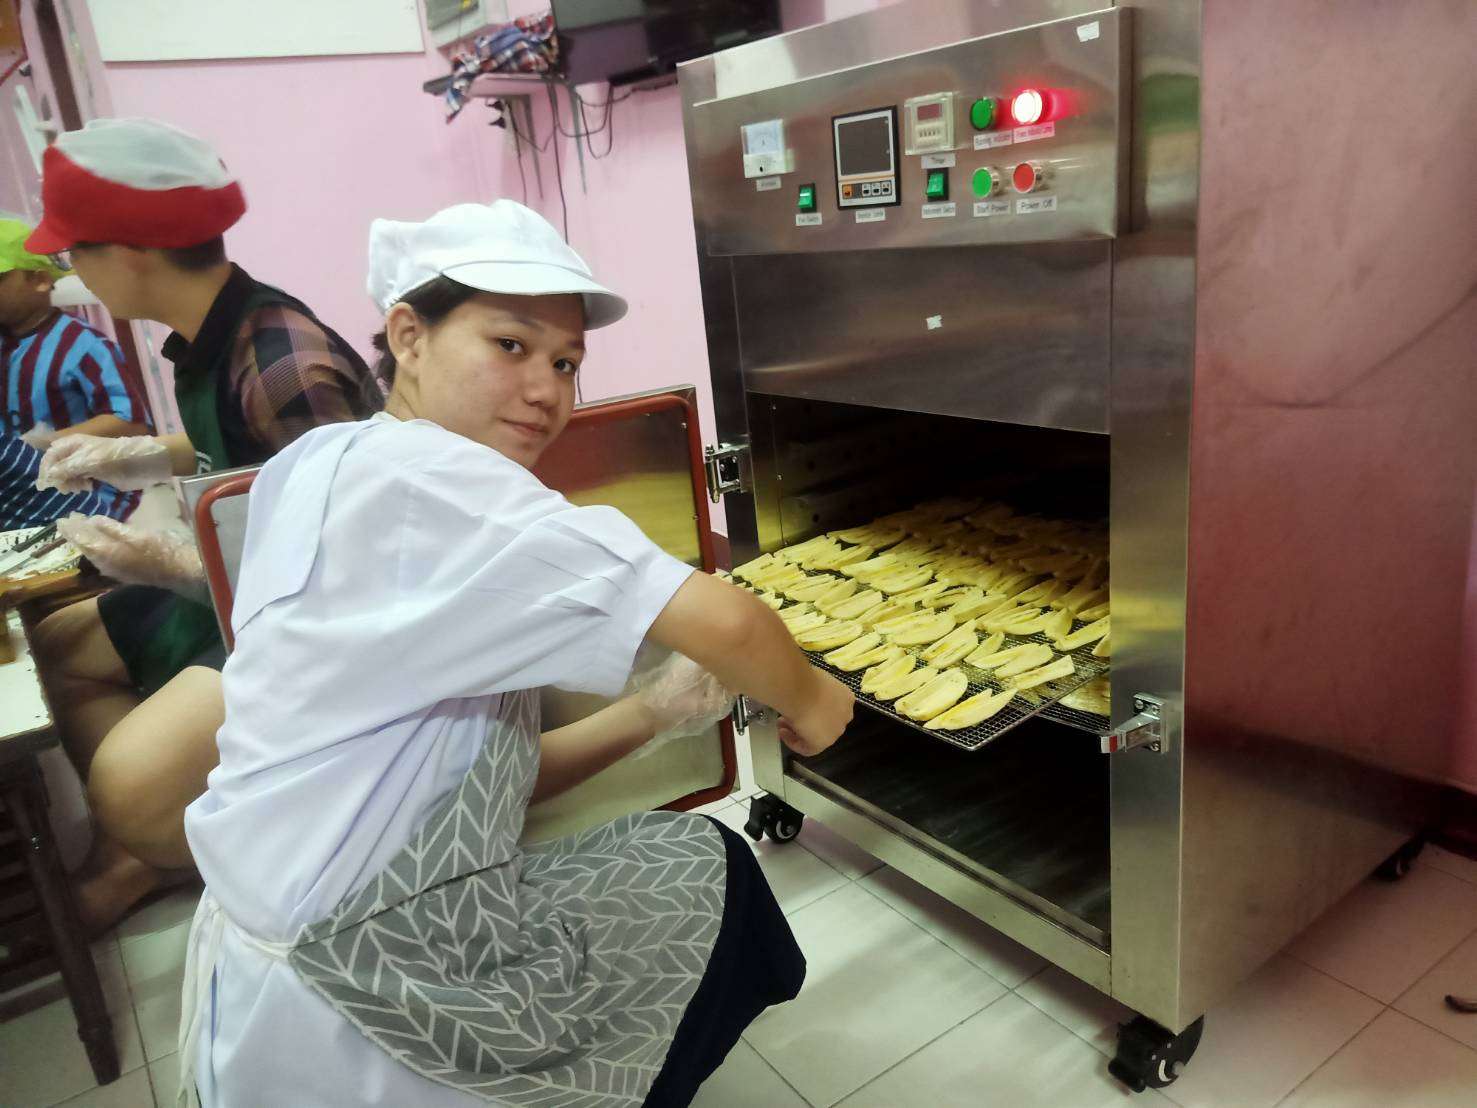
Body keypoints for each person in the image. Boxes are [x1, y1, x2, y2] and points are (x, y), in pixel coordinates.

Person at [174, 201, 855, 1107]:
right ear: (408, 336)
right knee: (712, 879)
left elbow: (457, 781)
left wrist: (655, 710)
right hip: (368, 988)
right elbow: (733, 625)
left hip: (278, 943)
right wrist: (814, 703)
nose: (547, 389)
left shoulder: (323, 459)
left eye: (566, 362)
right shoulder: (443, 486)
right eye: (510, 345)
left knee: (696, 857)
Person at [24, 118, 383, 933]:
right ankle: (151, 848)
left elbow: (346, 569)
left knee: (124, 784)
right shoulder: (217, 334)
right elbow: (236, 446)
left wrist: (178, 569)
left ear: (133, 254)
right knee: (60, 646)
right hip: (246, 582)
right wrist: (134, 458)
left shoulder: (286, 365)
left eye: (75, 252)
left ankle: (159, 838)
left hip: (309, 625)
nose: (69, 273)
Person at [0, 216, 151, 525]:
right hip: (23, 493)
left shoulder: (83, 345)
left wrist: (48, 441)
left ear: (40, 279)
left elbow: (131, 422)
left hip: (89, 492)